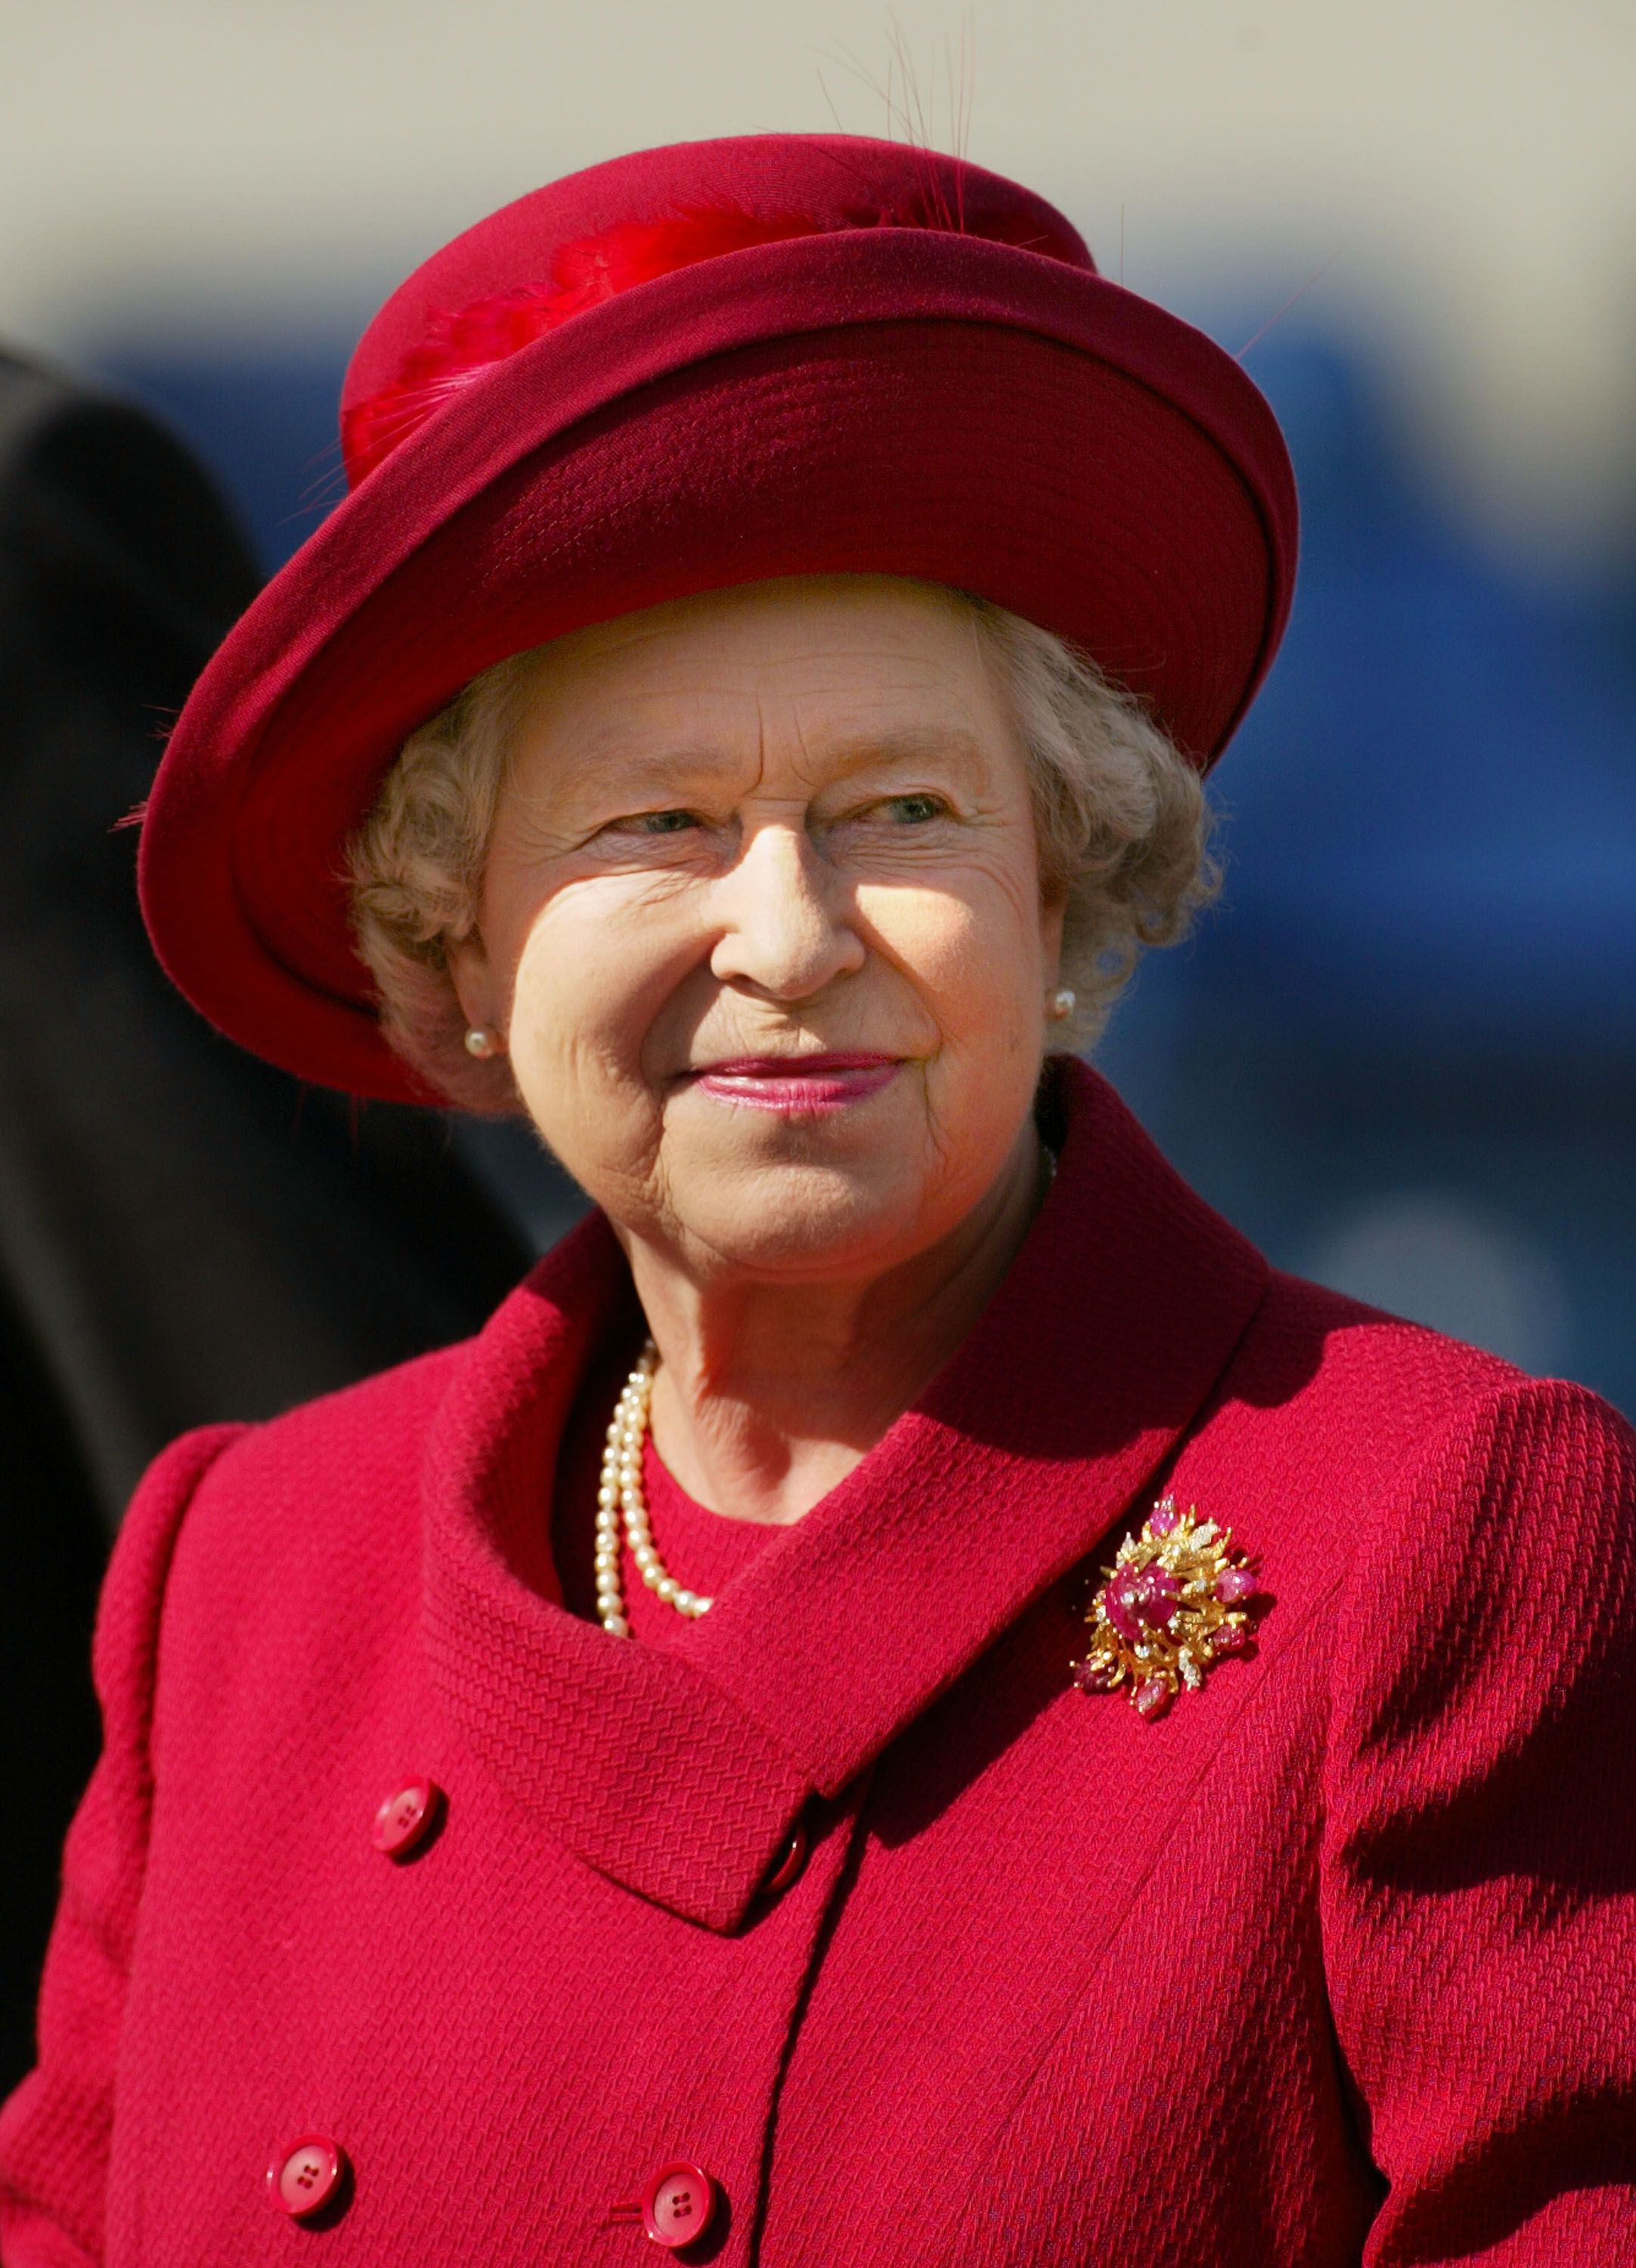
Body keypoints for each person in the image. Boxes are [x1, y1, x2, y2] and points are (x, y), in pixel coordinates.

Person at [2, 133, 1631, 2267]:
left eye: (903, 809)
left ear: (1062, 884)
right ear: (460, 939)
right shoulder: (239, 1572)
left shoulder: (1436, 1535)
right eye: (654, 820)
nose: (789, 931)